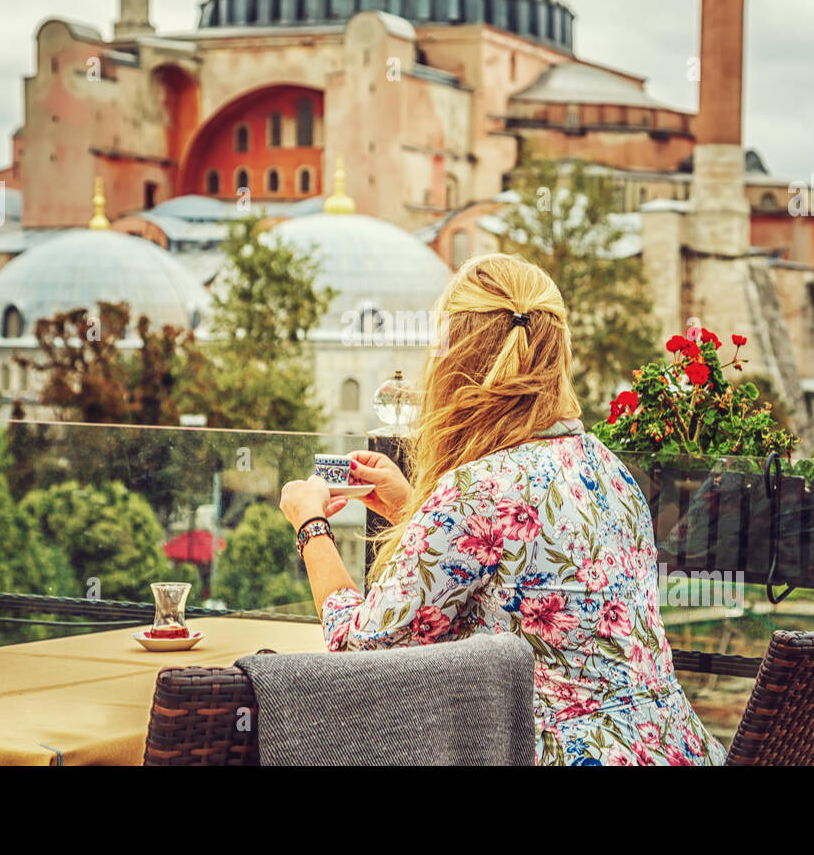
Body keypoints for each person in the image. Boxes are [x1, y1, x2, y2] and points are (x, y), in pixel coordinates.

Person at [279, 253, 727, 765]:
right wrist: (414, 508)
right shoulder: (607, 467)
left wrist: (310, 524)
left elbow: (358, 658)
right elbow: (516, 558)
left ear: (456, 360)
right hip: (675, 749)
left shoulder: (476, 491)